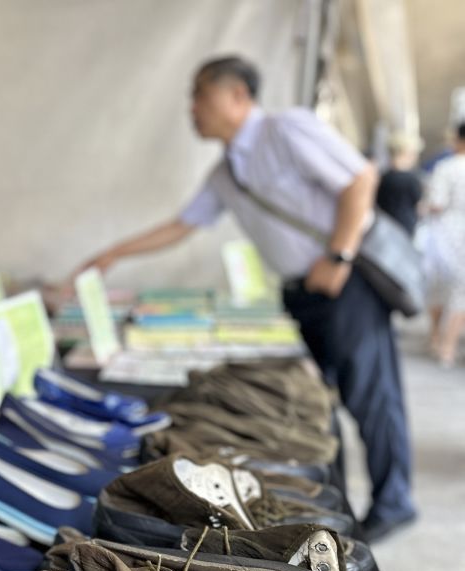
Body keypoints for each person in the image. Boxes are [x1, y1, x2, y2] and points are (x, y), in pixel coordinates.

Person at [72, 55, 416, 542]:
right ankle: (348, 508)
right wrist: (111, 254)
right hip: (305, 292)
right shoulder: (228, 172)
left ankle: (394, 502)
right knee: (325, 403)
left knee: (371, 396)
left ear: (237, 96)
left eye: (200, 95)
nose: (192, 108)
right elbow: (182, 225)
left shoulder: (286, 129)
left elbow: (360, 179)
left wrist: (337, 257)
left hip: (347, 281)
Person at [423, 122, 465, 367]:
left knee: (437, 286)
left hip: (446, 232)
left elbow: (436, 203)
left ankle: (436, 338)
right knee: (461, 291)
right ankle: (448, 348)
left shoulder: (446, 167)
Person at [376, 133, 424, 236]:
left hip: (386, 224)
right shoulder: (411, 178)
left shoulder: (382, 177)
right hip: (406, 225)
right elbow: (418, 205)